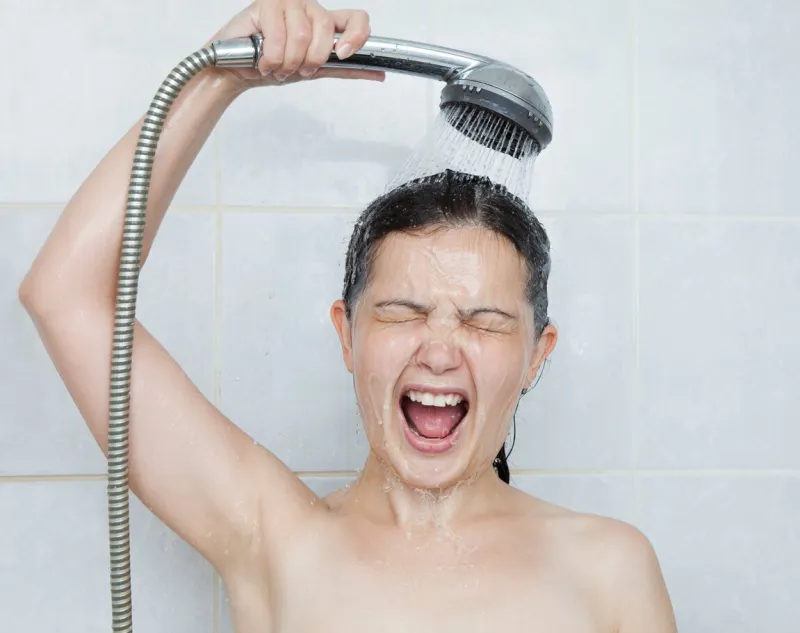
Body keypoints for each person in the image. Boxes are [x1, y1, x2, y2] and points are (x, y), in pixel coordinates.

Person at [18, 1, 678, 631]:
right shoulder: (276, 539)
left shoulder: (609, 569)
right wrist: (220, 75)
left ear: (537, 353)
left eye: (483, 321)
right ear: (347, 333)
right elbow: (65, 294)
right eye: (402, 312)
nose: (439, 351)